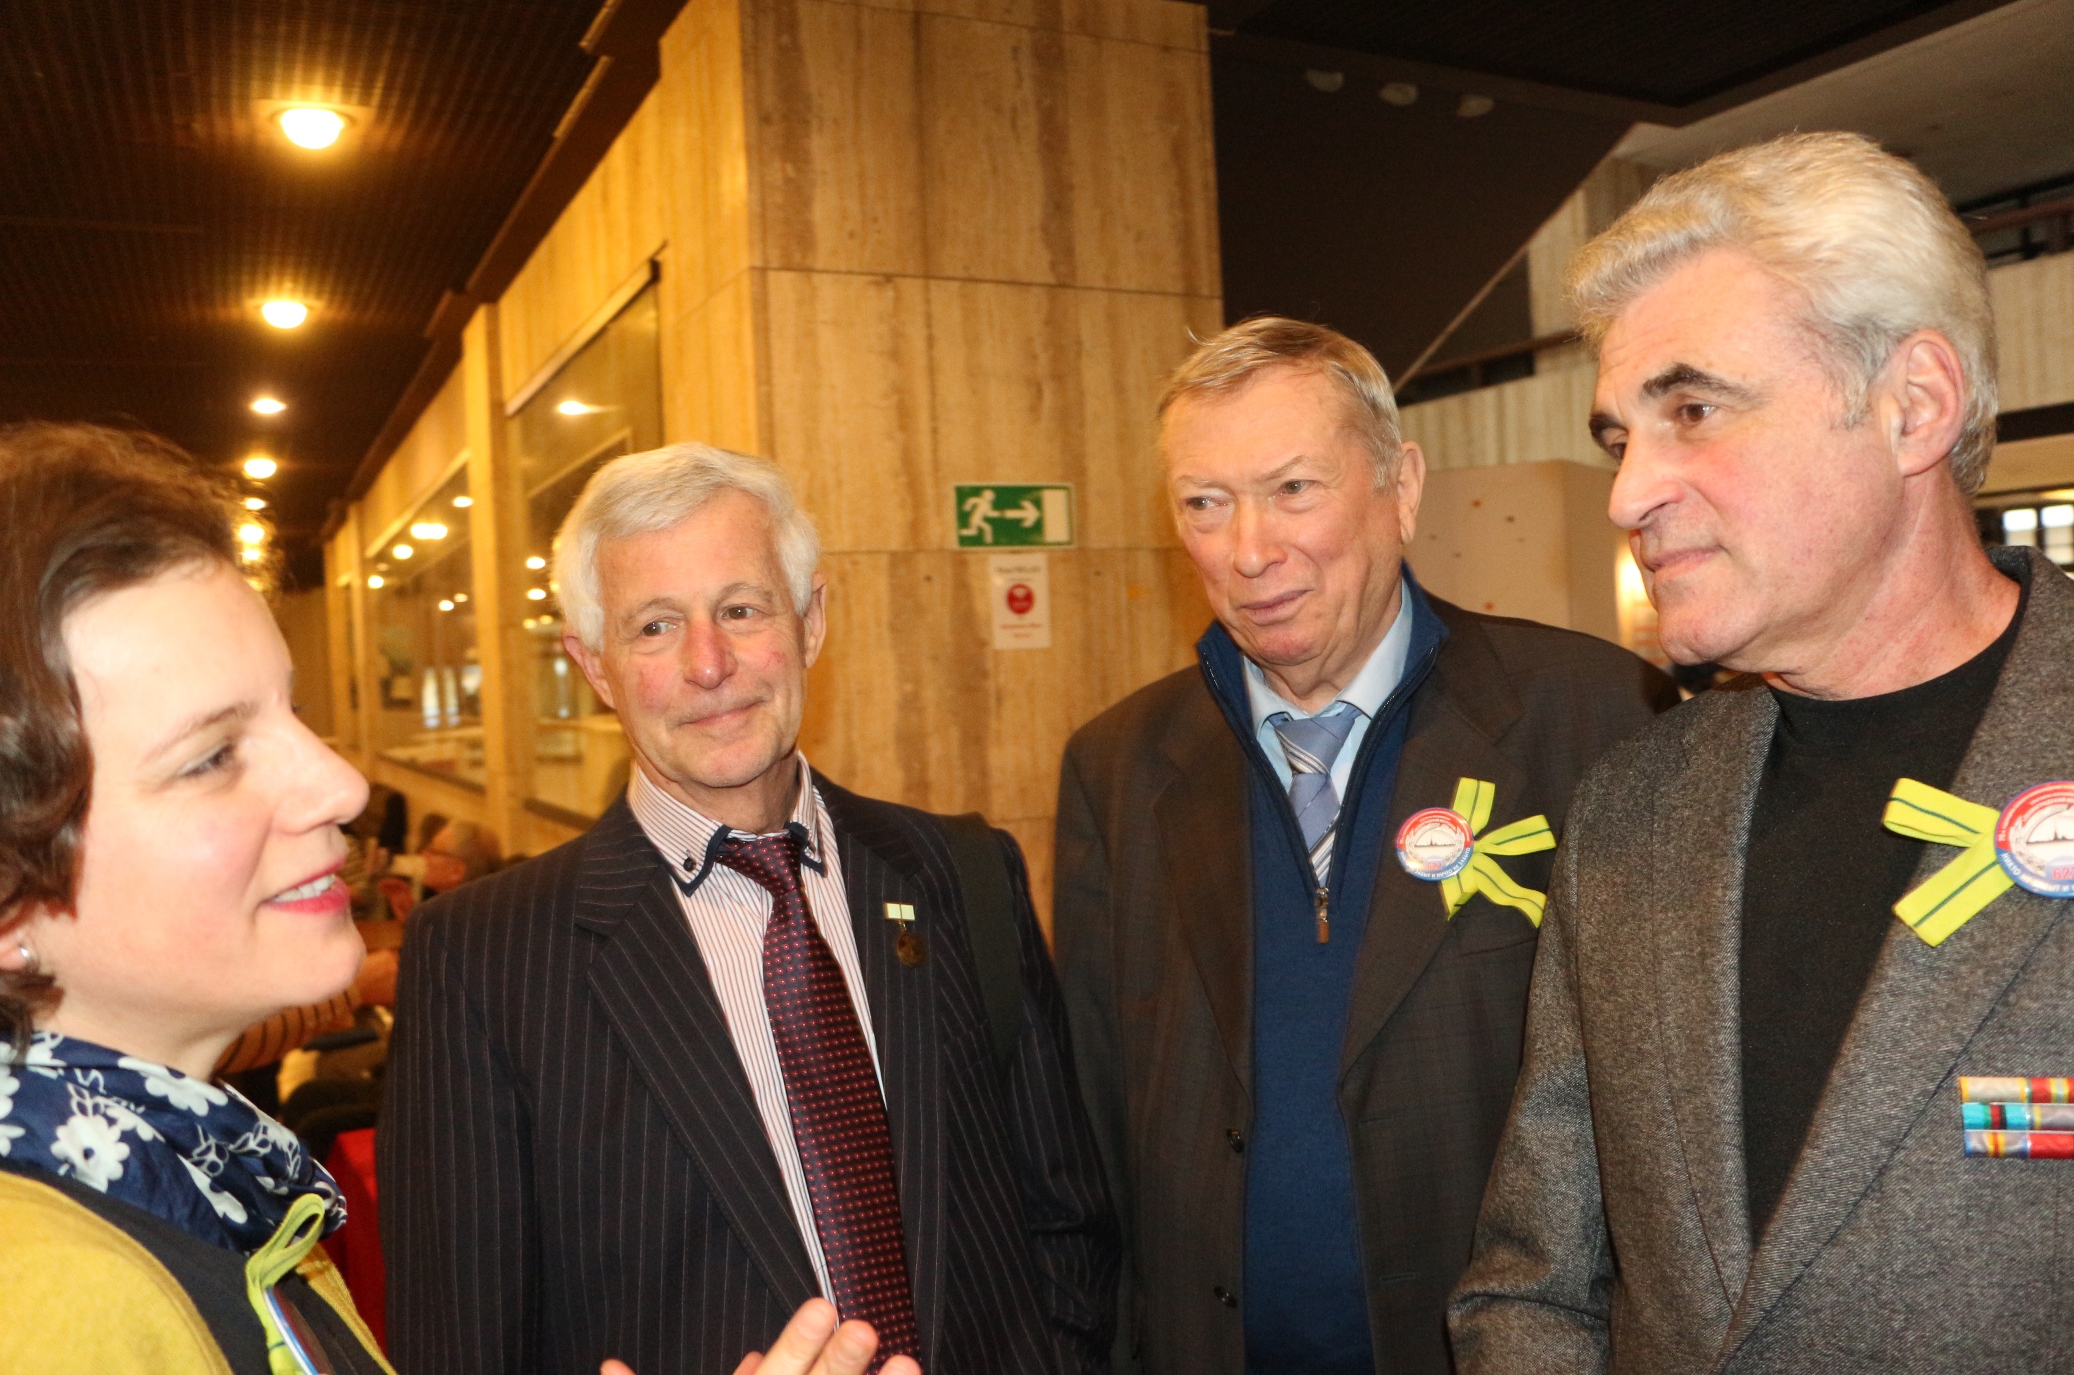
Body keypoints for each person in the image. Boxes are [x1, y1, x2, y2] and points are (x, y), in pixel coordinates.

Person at [0, 422, 913, 1375]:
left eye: (292, 713)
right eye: (213, 756)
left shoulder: (207, 1187)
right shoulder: (50, 1303)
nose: (341, 784)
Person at [1448, 132, 2072, 1370]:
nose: (1627, 494)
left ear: (1912, 405)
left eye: (1691, 410)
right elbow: (1535, 1279)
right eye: (1619, 435)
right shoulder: (1631, 807)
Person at [380, 443, 1118, 1375]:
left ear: (810, 622)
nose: (709, 664)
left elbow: (1065, 1224)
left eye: (741, 609)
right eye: (655, 627)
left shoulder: (962, 873)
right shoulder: (483, 959)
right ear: (595, 666)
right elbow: (462, 1342)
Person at [1052, 318, 1676, 1375]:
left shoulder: (1591, 718)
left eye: (1293, 489)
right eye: (1205, 503)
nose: (1249, 549)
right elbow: (1093, 1124)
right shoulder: (1117, 769)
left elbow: (1664, 1105)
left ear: (1401, 488)